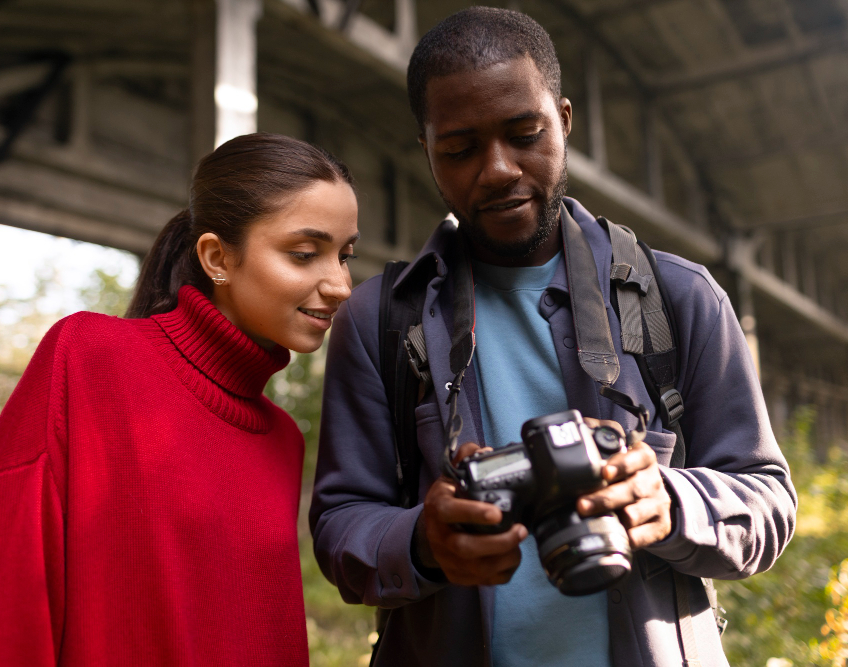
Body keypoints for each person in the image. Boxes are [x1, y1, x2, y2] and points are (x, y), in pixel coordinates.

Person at [309, 8, 796, 667]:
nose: (499, 168)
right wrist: (423, 539)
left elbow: (766, 498)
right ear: (426, 150)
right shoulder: (378, 321)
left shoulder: (678, 297)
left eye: (525, 133)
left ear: (564, 120)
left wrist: (669, 499)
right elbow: (340, 525)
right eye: (460, 148)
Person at [0, 132, 359, 666]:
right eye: (305, 254)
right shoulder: (90, 359)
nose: (341, 284)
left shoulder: (282, 439)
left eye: (345, 256)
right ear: (217, 257)